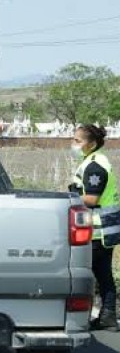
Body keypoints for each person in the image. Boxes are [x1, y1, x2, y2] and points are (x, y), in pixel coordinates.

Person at [69, 124, 119, 331]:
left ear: (92, 143)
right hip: (102, 229)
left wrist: (68, 198)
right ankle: (107, 316)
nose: (73, 144)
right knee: (102, 273)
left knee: (88, 273)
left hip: (97, 230)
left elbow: (91, 198)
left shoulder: (95, 166)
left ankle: (96, 315)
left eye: (77, 141)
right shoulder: (93, 161)